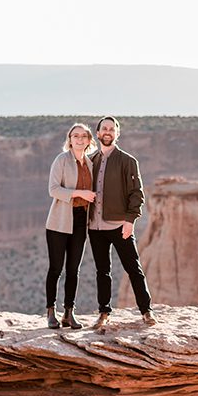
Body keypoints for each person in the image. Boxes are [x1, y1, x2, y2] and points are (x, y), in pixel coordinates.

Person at [88, 116, 155, 328]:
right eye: (104, 129)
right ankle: (104, 312)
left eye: (111, 129)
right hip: (95, 226)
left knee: (133, 268)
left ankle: (146, 311)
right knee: (102, 271)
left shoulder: (128, 161)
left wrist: (130, 220)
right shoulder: (90, 160)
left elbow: (137, 194)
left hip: (119, 225)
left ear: (117, 134)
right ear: (98, 134)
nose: (107, 132)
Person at [45, 123, 97, 329]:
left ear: (89, 140)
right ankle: (50, 312)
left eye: (83, 136)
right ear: (69, 139)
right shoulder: (62, 160)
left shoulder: (91, 164)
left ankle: (69, 313)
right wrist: (79, 193)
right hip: (59, 221)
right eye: (75, 136)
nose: (79, 139)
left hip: (80, 221)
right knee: (56, 268)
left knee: (73, 269)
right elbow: (53, 190)